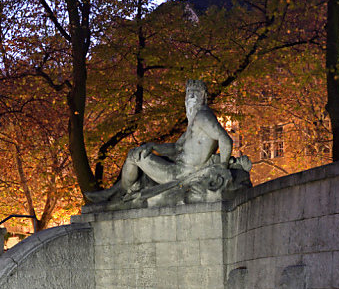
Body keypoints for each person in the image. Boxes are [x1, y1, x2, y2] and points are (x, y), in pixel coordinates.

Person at [86, 79, 238, 206]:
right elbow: (176, 147)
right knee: (140, 153)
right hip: (178, 169)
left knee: (134, 155)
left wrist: (222, 167)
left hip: (181, 173)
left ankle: (119, 195)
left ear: (203, 97)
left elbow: (225, 140)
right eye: (187, 95)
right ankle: (114, 192)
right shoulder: (195, 122)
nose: (189, 99)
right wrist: (154, 146)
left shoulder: (202, 117)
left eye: (194, 95)